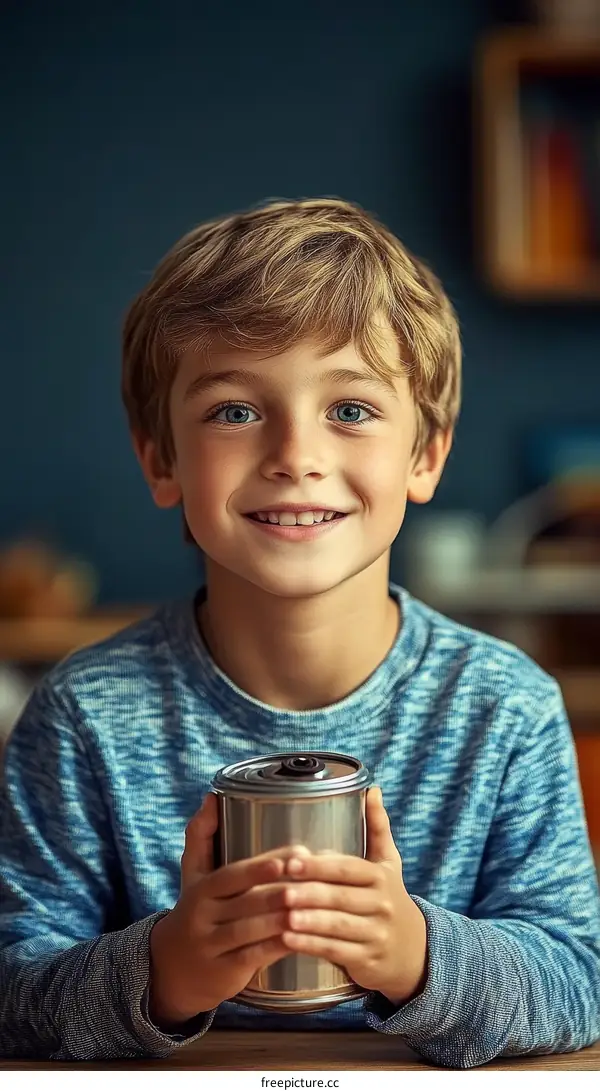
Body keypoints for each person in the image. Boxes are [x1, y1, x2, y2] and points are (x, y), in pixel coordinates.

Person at [1, 198, 599, 1067]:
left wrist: (415, 954)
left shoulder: (502, 708)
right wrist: (165, 966)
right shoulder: (84, 716)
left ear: (424, 454)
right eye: (235, 411)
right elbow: (14, 995)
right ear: (161, 457)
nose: (295, 453)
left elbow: (578, 983)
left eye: (350, 409)